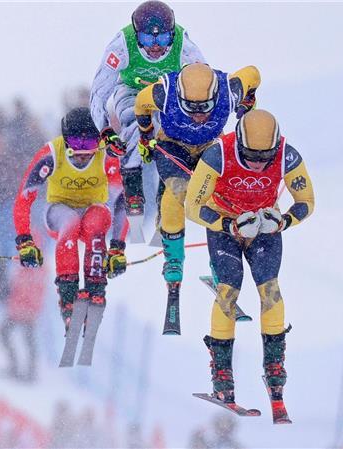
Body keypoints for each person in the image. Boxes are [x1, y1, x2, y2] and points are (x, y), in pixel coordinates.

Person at [184, 110, 314, 414]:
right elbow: (192, 206)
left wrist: (283, 221)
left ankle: (274, 367)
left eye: (265, 157)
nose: (257, 164)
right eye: (250, 157)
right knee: (228, 290)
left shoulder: (287, 155)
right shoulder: (218, 154)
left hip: (263, 225)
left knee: (270, 290)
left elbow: (307, 201)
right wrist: (228, 225)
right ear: (239, 144)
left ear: (276, 147)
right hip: (225, 225)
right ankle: (222, 372)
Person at [134, 62, 260, 299]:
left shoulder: (230, 91)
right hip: (172, 145)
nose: (198, 115)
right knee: (178, 192)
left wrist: (248, 100)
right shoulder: (164, 93)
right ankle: (174, 258)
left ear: (216, 97)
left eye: (205, 108)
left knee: (216, 198)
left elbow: (253, 74)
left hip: (210, 144)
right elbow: (141, 102)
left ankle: (219, 260)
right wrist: (145, 135)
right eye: (190, 108)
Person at [90, 0, 205, 226]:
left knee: (167, 130)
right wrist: (105, 131)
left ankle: (167, 191)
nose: (155, 47)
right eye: (147, 39)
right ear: (136, 35)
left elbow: (206, 82)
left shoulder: (184, 45)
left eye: (162, 38)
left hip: (168, 93)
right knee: (134, 124)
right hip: (131, 90)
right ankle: (133, 187)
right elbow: (98, 94)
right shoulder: (121, 46)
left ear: (172, 34)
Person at [13, 107, 128, 331]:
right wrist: (25, 241)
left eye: (90, 144)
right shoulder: (51, 154)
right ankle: (68, 295)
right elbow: (24, 198)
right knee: (71, 223)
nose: (83, 152)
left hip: (93, 210)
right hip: (59, 212)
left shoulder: (106, 155)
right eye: (76, 143)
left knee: (96, 221)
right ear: (66, 140)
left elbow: (122, 202)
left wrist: (117, 248)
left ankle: (96, 289)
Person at [0, 264, 46, 381]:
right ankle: (17, 368)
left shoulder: (37, 269)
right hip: (17, 309)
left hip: (26, 311)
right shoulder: (24, 265)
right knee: (6, 335)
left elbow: (35, 292)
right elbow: (16, 287)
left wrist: (29, 310)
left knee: (28, 340)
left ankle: (28, 372)